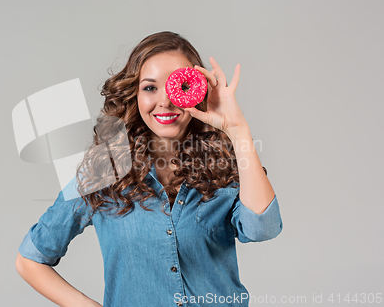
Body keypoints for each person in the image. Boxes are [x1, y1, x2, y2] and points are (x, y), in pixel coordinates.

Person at [15, 31, 283, 307]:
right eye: (150, 87)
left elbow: (263, 228)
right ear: (135, 95)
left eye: (176, 87)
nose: (165, 101)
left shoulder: (225, 168)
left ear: (197, 91)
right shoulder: (103, 174)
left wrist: (237, 129)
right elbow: (30, 260)